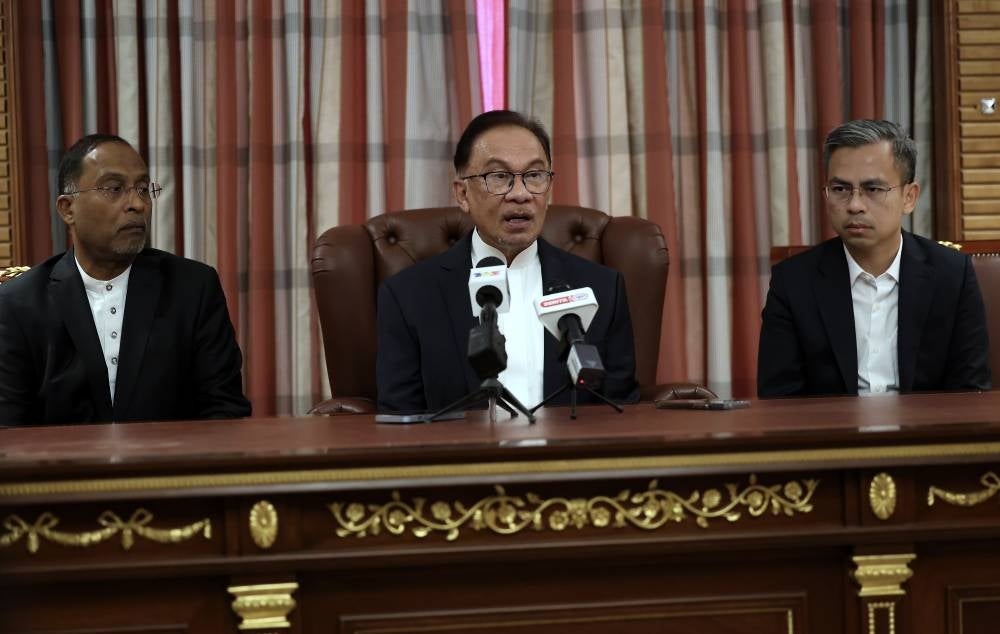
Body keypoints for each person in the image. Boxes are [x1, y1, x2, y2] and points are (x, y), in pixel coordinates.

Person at [376, 110, 639, 413]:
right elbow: (400, 420)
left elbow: (621, 413)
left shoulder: (603, 289)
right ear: (462, 194)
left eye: (534, 175)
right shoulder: (409, 296)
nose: (520, 194)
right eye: (499, 177)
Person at [0, 133, 252, 424]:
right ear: (67, 209)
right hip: (64, 468)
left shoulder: (193, 289)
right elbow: (9, 432)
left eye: (143, 189)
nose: (138, 204)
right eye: (114, 188)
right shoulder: (19, 304)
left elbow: (225, 412)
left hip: (173, 467)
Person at [757, 119, 991, 397]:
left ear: (909, 197)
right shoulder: (793, 282)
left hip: (927, 437)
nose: (855, 205)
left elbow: (969, 391)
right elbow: (779, 400)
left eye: (873, 189)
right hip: (831, 437)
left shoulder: (952, 274)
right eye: (840, 189)